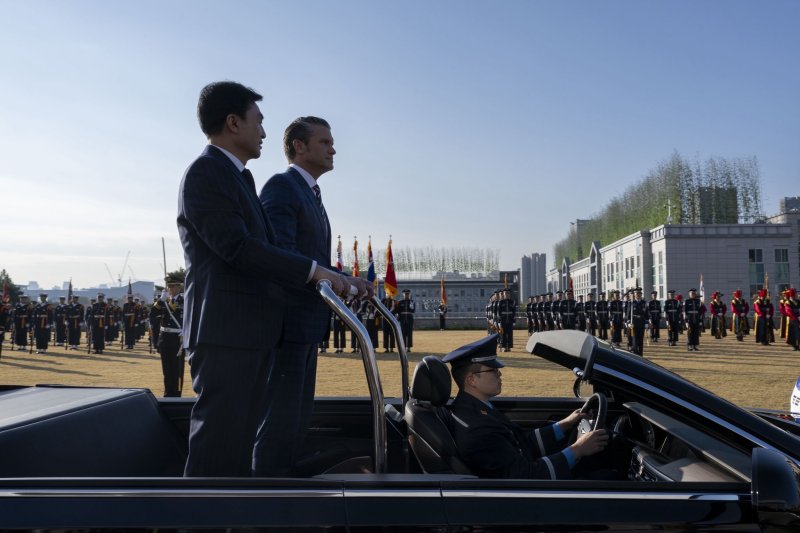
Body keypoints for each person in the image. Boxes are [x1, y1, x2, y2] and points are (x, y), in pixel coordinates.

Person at [178, 81, 354, 477]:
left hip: (247, 333)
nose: (263, 132)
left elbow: (267, 247)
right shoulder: (207, 171)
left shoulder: (239, 177)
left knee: (236, 450)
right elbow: (239, 249)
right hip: (226, 332)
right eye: (258, 121)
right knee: (216, 451)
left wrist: (336, 277)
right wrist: (314, 271)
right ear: (233, 122)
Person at [258, 115, 355, 474]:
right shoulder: (282, 187)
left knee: (297, 419)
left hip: (306, 325)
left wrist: (350, 281)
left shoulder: (311, 193)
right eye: (325, 142)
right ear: (299, 146)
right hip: (286, 326)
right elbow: (281, 255)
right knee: (279, 422)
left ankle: (286, 491)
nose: (333, 149)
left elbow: (312, 259)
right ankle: (269, 500)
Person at [444, 334, 609, 479]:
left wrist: (565, 424)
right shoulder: (477, 429)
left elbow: (522, 441)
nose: (499, 373)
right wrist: (577, 449)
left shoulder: (476, 408)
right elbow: (526, 475)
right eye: (492, 370)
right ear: (471, 380)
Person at [157, 273, 185, 398]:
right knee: (166, 368)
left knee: (177, 369)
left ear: (179, 287)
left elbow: (189, 317)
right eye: (169, 287)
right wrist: (160, 301)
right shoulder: (164, 301)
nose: (171, 289)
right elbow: (152, 315)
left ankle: (176, 393)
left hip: (177, 338)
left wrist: (186, 330)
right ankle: (168, 392)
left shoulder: (184, 301)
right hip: (165, 338)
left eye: (173, 286)